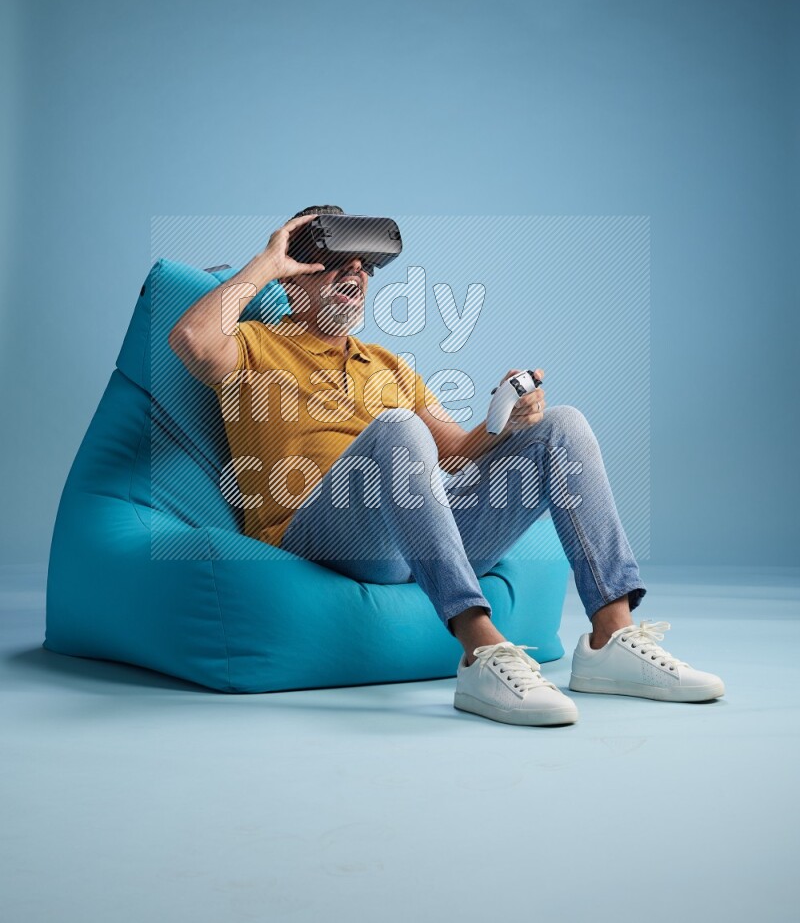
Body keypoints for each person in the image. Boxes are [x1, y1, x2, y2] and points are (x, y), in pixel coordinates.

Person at [168, 206, 725, 726]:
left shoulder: (387, 364)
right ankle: (481, 652)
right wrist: (268, 261)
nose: (355, 276)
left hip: (417, 532)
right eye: (333, 265)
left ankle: (611, 639)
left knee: (562, 425)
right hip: (321, 533)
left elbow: (457, 451)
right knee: (397, 427)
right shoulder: (253, 344)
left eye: (365, 267)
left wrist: (504, 421)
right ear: (292, 280)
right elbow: (191, 339)